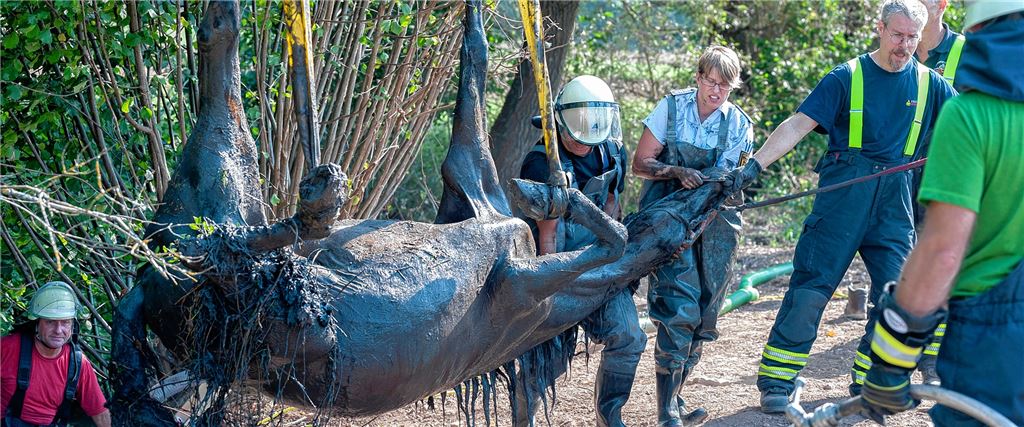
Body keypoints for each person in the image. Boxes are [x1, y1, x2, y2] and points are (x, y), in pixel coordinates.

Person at [746, 0, 957, 414]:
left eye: (913, 37)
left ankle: (867, 381)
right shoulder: (847, 76)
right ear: (879, 28)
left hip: (895, 204)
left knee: (895, 299)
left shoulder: (931, 84)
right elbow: (797, 125)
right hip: (843, 198)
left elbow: (970, 125)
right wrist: (753, 166)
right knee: (810, 291)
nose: (904, 45)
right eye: (897, 35)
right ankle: (777, 380)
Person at [859, 2, 1024, 425]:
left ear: (980, 25)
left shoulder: (972, 115)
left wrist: (890, 363)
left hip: (998, 339)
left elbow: (942, 253)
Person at [632, 46, 755, 427]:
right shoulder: (670, 109)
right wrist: (673, 171)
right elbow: (640, 163)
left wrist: (732, 181)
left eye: (725, 86)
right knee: (678, 309)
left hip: (716, 222)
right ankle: (666, 412)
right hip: (667, 220)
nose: (716, 92)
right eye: (711, 82)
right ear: (699, 77)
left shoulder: (738, 125)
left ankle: (676, 397)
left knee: (704, 315)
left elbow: (723, 183)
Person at [518, 75, 645, 427]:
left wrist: (617, 265)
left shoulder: (612, 151)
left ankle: (610, 414)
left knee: (629, 337)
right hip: (558, 266)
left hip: (601, 261)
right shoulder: (543, 164)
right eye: (577, 139)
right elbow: (548, 234)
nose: (586, 146)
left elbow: (611, 205)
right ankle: (523, 415)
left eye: (592, 139)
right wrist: (550, 290)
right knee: (549, 357)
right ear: (561, 125)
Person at [2, 282, 111, 427]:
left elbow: (100, 413)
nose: (58, 330)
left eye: (65, 322)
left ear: (73, 326)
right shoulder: (8, 348)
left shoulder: (78, 364)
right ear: (37, 323)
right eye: (50, 322)